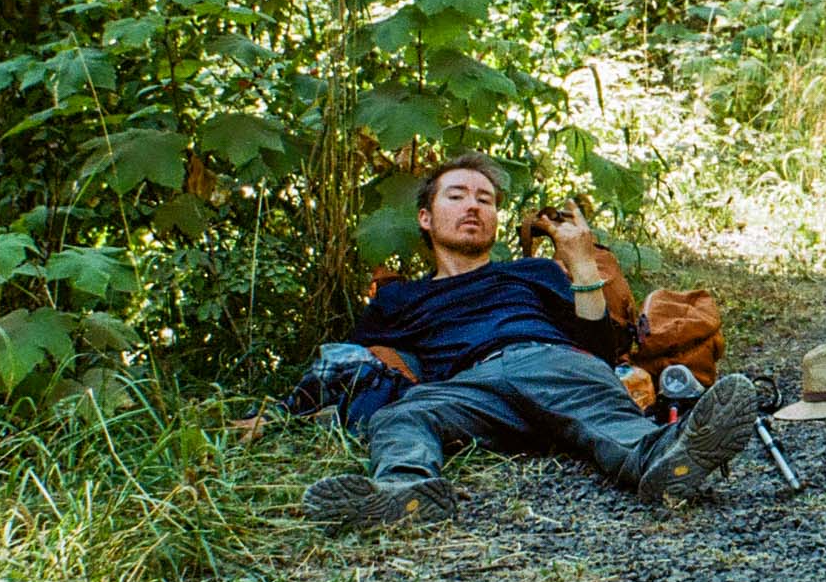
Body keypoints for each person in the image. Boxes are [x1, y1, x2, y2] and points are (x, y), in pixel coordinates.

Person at [301, 152, 759, 528]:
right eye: (457, 196)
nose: (473, 207)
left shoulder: (529, 272)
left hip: (550, 362)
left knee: (603, 411)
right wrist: (283, 413)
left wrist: (580, 261)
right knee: (402, 416)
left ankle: (666, 459)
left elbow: (600, 347)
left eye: (485, 199)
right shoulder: (399, 298)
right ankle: (404, 494)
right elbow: (349, 366)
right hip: (470, 389)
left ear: (496, 219)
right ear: (426, 217)